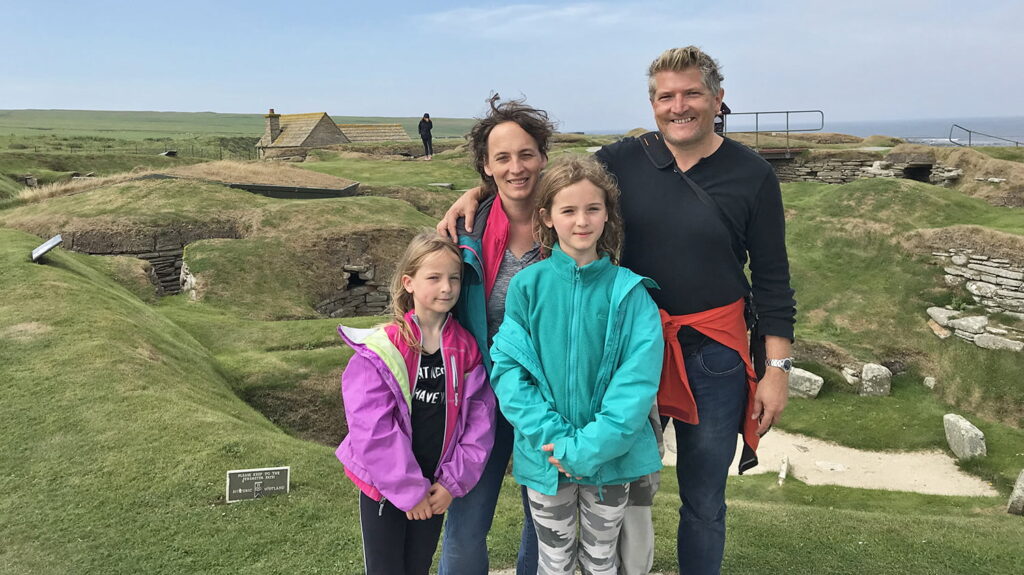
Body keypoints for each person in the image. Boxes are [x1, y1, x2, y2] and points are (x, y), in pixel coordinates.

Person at [439, 46, 796, 575]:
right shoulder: (624, 159)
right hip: (616, 344)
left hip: (709, 352)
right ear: (652, 104)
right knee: (605, 493)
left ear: (719, 99)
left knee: (702, 500)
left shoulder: (752, 174)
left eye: (692, 93)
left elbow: (771, 279)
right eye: (666, 96)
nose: (679, 106)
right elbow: (554, 182)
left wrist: (777, 370)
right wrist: (479, 192)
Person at [490, 154, 664, 575]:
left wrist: (586, 449)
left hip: (610, 460)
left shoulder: (631, 293)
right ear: (547, 217)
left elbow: (637, 384)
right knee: (553, 560)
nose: (581, 221)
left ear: (607, 215)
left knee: (602, 559)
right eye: (568, 210)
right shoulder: (527, 286)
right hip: (546, 457)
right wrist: (555, 440)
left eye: (592, 209)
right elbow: (508, 370)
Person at [335, 231, 496, 575]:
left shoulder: (466, 349)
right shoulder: (384, 347)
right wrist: (409, 491)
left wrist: (452, 484)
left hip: (436, 489)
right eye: (434, 277)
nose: (447, 287)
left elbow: (479, 424)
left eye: (454, 278)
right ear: (408, 282)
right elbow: (372, 427)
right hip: (385, 488)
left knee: (418, 568)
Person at [438, 96, 554, 575]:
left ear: (543, 156)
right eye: (502, 157)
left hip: (549, 398)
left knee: (546, 524)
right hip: (479, 394)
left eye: (526, 154)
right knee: (465, 527)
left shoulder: (571, 221)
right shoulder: (466, 229)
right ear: (485, 166)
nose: (516, 167)